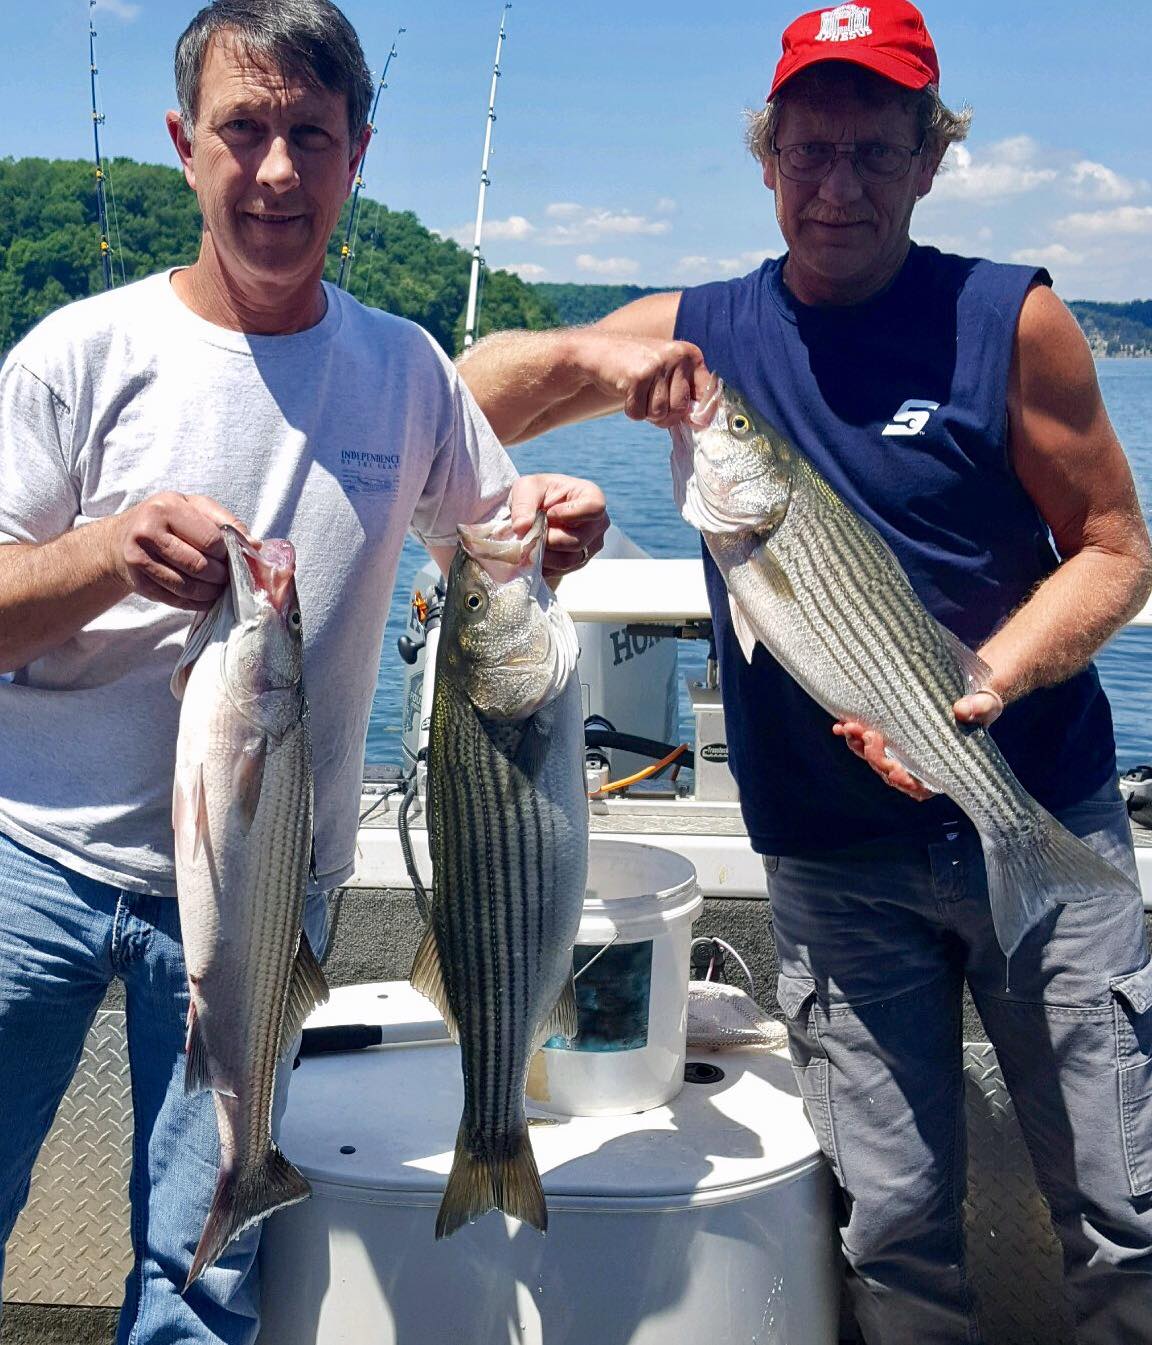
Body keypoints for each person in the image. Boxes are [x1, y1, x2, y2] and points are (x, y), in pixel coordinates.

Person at [458, 2, 1152, 1340]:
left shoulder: (1012, 319)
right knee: (890, 1230)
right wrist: (592, 357)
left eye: (874, 152)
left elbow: (1118, 551)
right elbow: (462, 399)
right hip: (833, 862)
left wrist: (985, 682)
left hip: (1034, 803)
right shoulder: (708, 332)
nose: (837, 187)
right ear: (766, 158)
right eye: (809, 150)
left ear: (929, 159)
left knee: (1130, 1213)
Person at [0, 1, 607, 1341]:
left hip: (272, 889)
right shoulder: (76, 356)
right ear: (184, 145)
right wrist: (106, 552)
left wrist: (551, 518)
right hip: (30, 866)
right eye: (243, 130)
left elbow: (496, 548)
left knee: (203, 1274)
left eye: (311, 136)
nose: (276, 171)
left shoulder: (409, 369)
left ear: (357, 153)